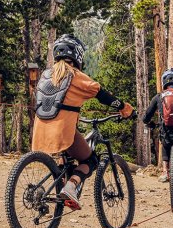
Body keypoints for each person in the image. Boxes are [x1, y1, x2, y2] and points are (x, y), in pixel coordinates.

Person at [31, 34, 134, 210]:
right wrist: (123, 107)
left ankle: (59, 188)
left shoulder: (46, 75)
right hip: (62, 132)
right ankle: (71, 186)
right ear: (77, 55)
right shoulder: (75, 75)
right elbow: (102, 94)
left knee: (68, 158)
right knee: (91, 160)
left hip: (40, 130)